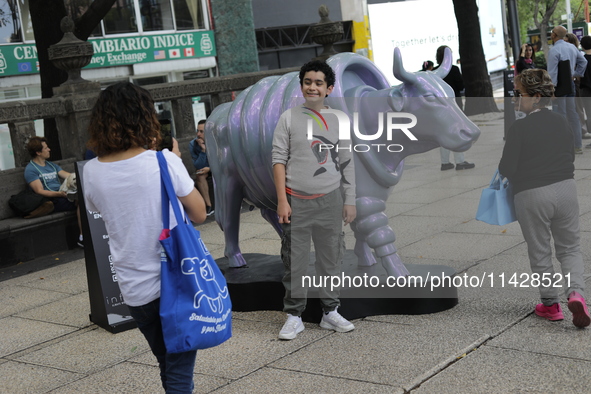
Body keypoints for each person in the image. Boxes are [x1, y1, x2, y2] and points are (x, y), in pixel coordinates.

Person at [83, 82, 207, 392]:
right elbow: (199, 213)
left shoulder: (91, 172)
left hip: (133, 289)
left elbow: (98, 211)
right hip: (175, 284)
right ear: (145, 117)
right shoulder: (162, 161)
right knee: (179, 372)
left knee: (167, 361)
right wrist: (174, 160)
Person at [499, 69, 590, 329]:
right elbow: (570, 155)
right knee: (570, 247)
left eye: (520, 94)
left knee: (540, 251)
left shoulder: (519, 127)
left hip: (532, 194)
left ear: (537, 97)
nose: (515, 99)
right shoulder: (562, 121)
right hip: (566, 189)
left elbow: (507, 168)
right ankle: (576, 294)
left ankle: (550, 306)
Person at [272, 60, 356, 340]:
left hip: (331, 199)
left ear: (329, 88)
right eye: (308, 81)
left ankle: (330, 312)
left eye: (319, 83)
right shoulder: (288, 118)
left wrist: (350, 199)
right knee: (295, 261)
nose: (313, 87)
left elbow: (347, 163)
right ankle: (294, 316)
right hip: (296, 201)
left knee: (330, 257)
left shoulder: (339, 120)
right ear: (301, 85)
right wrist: (282, 201)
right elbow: (278, 161)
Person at [24, 136, 83, 246]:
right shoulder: (31, 169)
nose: (49, 149)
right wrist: (60, 194)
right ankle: (82, 237)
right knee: (82, 201)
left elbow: (69, 176)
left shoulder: (51, 165)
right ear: (38, 152)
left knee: (86, 197)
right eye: (46, 148)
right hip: (53, 199)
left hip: (63, 194)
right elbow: (39, 191)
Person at [547, 25, 587, 154]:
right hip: (570, 85)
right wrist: (576, 74)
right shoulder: (572, 47)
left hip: (558, 87)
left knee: (560, 115)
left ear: (554, 35)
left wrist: (551, 90)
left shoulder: (554, 50)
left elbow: (552, 73)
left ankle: (563, 147)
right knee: (573, 115)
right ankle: (577, 145)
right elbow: (583, 62)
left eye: (552, 32)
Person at [434, 45, 475, 171]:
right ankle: (460, 161)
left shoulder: (433, 72)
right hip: (454, 105)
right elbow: (461, 85)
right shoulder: (454, 70)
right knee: (457, 132)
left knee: (443, 134)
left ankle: (445, 162)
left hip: (439, 107)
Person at [190, 119, 214, 216]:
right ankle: (209, 206)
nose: (198, 134)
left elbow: (222, 161)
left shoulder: (216, 141)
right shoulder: (193, 144)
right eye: (197, 131)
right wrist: (203, 150)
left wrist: (210, 168)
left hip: (217, 168)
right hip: (205, 169)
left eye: (201, 131)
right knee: (199, 174)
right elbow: (198, 165)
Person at [580, 35, 591, 143]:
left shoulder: (582, 60)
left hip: (586, 90)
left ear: (582, 46)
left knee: (589, 113)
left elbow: (580, 74)